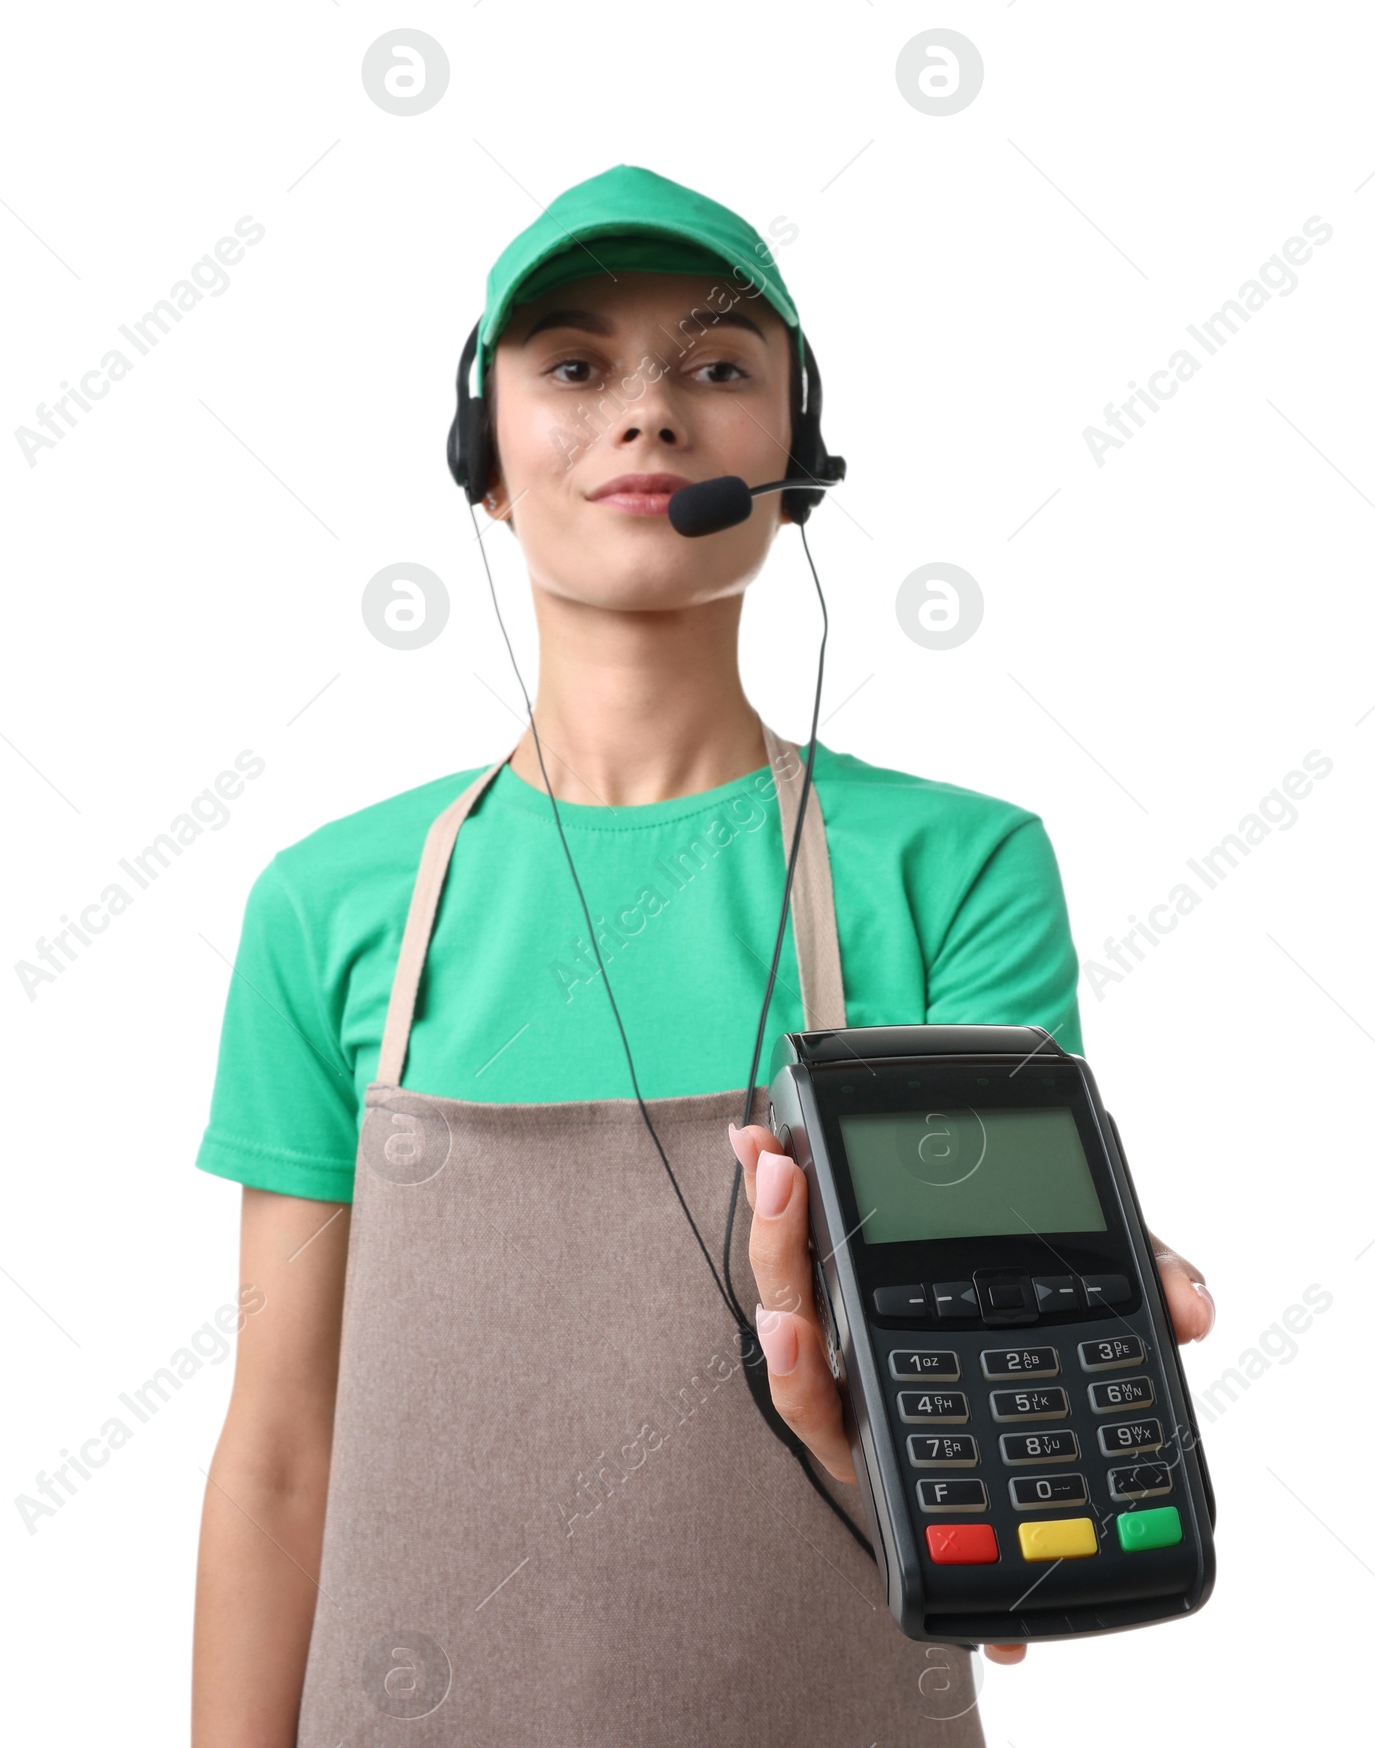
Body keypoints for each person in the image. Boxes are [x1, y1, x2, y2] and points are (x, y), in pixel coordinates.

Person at [189, 164, 1215, 1747]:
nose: (649, 414)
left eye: (719, 369)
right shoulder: (328, 904)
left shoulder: (958, 869)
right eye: (577, 366)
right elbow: (278, 1448)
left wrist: (1036, 1343)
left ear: (793, 463)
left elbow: (961, 1405)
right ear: (483, 460)